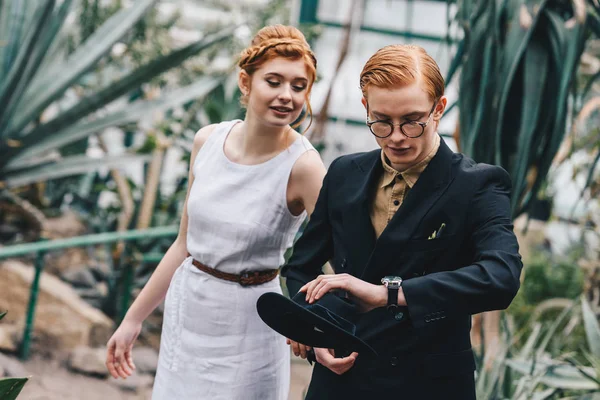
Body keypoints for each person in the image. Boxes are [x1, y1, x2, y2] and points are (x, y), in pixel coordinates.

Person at [281, 44, 523, 399]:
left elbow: (501, 277)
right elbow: (300, 268)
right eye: (381, 121)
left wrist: (389, 294)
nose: (395, 136)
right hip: (342, 380)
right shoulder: (345, 172)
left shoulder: (478, 184)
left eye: (412, 121)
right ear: (365, 108)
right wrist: (314, 330)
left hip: (427, 383)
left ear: (438, 108)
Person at [105, 24, 326, 400]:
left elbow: (335, 256)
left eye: (298, 86)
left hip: (253, 323)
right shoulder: (207, 140)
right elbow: (183, 246)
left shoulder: (304, 166)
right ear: (245, 82)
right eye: (273, 81)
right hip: (189, 309)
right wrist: (132, 319)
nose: (286, 96)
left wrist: (326, 329)